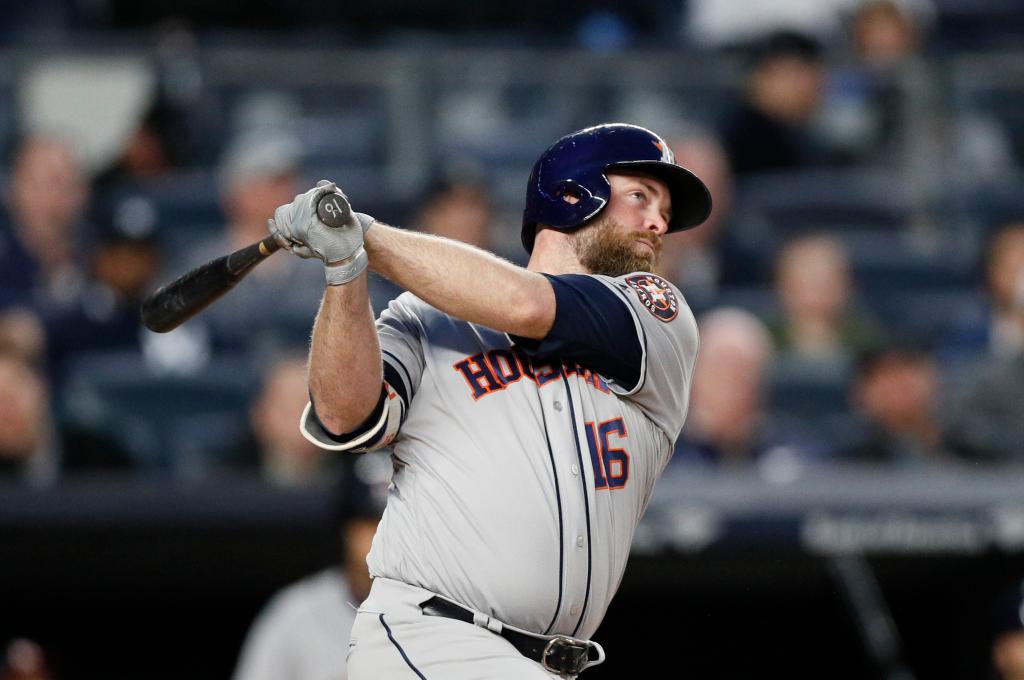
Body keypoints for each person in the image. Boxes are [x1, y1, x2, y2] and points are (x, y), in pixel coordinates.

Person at [267, 123, 712, 678]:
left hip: (552, 663)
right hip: (432, 637)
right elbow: (343, 413)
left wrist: (365, 236)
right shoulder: (424, 318)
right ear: (573, 196)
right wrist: (344, 270)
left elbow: (525, 306)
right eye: (641, 197)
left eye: (665, 211)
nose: (659, 222)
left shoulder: (658, 315)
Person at [232, 452, 390, 680]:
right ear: (346, 529)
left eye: (393, 521)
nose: (383, 534)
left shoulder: (441, 612)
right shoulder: (295, 615)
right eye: (370, 523)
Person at [672, 307, 827, 473]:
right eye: (719, 368)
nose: (730, 380)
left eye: (743, 370)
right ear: (692, 376)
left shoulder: (796, 453)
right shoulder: (661, 452)